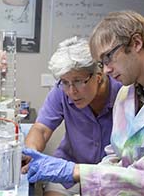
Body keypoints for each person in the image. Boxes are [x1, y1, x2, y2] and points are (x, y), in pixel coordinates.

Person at [23, 10, 144, 195]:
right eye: (101, 62)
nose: (105, 70)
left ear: (136, 43)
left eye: (108, 57)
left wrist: (75, 171)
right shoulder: (127, 93)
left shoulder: (120, 90)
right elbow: (116, 155)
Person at [22, 36, 121, 196]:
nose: (71, 91)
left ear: (98, 75)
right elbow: (41, 129)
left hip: (110, 173)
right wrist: (31, 153)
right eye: (65, 82)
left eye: (78, 81)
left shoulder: (122, 93)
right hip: (68, 169)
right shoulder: (61, 91)